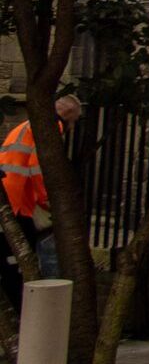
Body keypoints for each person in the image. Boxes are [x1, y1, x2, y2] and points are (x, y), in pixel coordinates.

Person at [0, 95, 82, 312]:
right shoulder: (51, 128)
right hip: (21, 203)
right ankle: (21, 310)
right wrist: (48, 201)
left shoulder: (24, 126)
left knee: (7, 257)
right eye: (75, 121)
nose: (73, 127)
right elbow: (40, 170)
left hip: (7, 199)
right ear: (68, 115)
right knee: (19, 260)